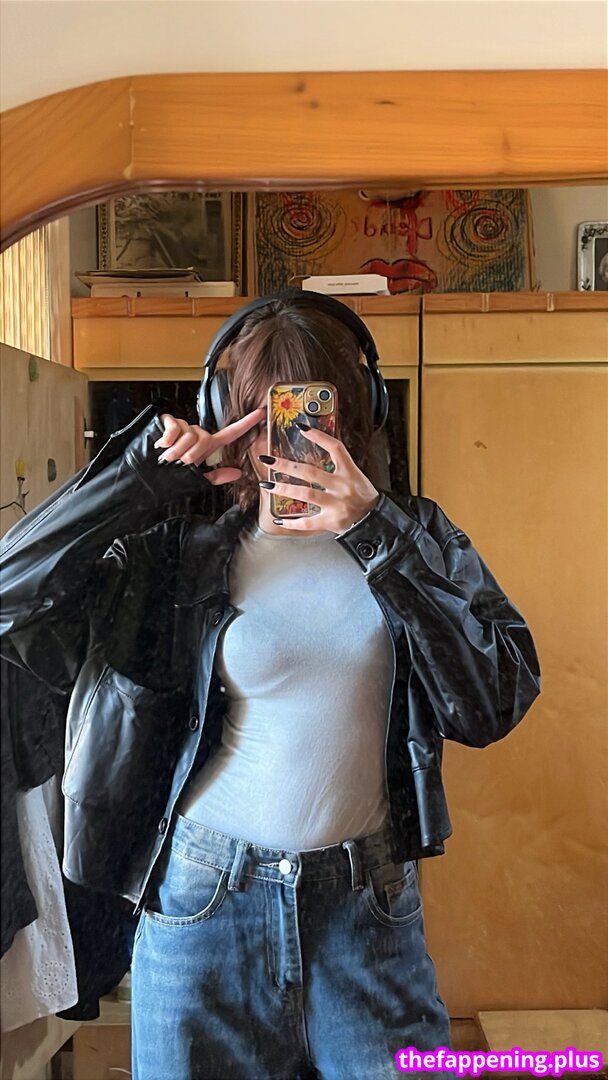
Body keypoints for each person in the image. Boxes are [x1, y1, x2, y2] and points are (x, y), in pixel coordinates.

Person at [0, 293, 542, 1080]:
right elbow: (10, 591)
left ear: (357, 412)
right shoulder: (174, 555)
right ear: (229, 414)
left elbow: (493, 701)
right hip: (204, 908)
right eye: (268, 415)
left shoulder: (417, 536)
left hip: (368, 912)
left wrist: (376, 531)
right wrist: (137, 478)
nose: (292, 438)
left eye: (314, 412)